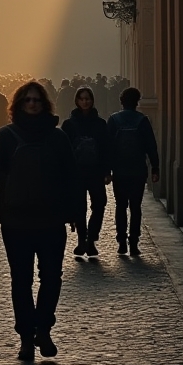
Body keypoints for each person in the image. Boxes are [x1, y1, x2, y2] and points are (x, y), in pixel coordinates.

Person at [0, 79, 81, 362]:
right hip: (17, 220)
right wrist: (14, 181)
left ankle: (43, 327)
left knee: (52, 277)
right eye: (28, 100)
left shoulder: (57, 136)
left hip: (51, 218)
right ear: (19, 104)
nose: (33, 105)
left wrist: (75, 212)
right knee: (21, 280)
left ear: (45, 104)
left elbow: (71, 176)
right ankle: (26, 337)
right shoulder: (6, 135)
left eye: (37, 100)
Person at [107, 85, 160, 256]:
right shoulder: (142, 120)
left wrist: (107, 170)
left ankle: (121, 241)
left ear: (121, 101)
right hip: (138, 169)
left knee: (120, 206)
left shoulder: (114, 120)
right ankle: (134, 242)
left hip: (120, 170)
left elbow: (107, 147)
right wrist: (155, 167)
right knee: (135, 207)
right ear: (137, 102)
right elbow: (151, 146)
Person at [61, 85, 111, 258]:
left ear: (92, 100)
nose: (85, 101)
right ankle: (83, 239)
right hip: (76, 173)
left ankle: (91, 237)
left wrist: (107, 170)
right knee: (79, 207)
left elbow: (106, 148)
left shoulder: (100, 124)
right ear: (77, 101)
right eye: (82, 99)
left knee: (99, 204)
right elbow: (64, 151)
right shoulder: (68, 125)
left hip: (96, 171)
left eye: (87, 98)